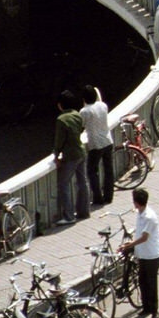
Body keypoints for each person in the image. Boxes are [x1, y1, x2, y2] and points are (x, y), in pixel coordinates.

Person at [118, 188, 159, 318]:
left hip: (152, 255)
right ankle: (146, 307)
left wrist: (129, 245)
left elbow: (144, 237)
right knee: (142, 281)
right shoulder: (140, 213)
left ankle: (154, 310)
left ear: (137, 202)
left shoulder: (149, 217)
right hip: (142, 253)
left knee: (151, 283)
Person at [53, 90, 90, 225]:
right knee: (82, 182)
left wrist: (56, 155)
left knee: (63, 185)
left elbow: (59, 141)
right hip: (81, 152)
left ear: (60, 105)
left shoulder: (61, 120)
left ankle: (69, 216)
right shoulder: (77, 115)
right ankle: (84, 211)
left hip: (70, 155)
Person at [80, 86, 113, 205]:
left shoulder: (85, 111)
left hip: (95, 144)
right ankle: (109, 196)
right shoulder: (103, 105)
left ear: (84, 98)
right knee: (108, 169)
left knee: (92, 170)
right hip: (108, 140)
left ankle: (98, 198)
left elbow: (81, 126)